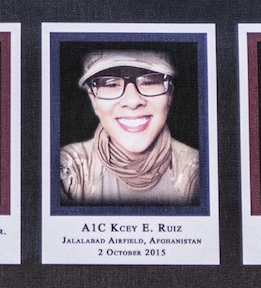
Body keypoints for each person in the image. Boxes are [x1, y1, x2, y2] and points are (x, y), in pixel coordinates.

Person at [59, 48, 200, 205]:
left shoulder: (198, 169)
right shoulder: (72, 166)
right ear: (93, 101)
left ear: (169, 96)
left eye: (150, 81)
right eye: (110, 84)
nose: (133, 101)